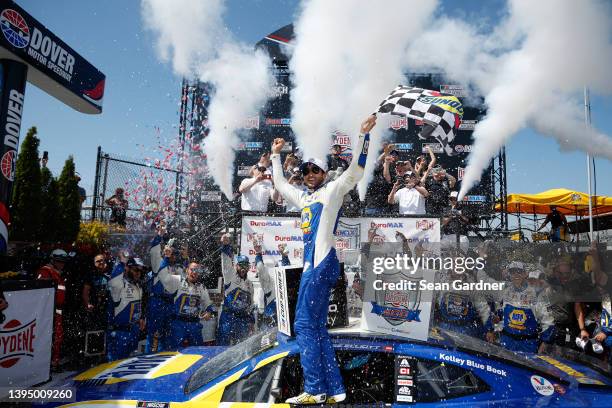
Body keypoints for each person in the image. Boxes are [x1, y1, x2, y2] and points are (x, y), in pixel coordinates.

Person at [271, 115, 376, 404]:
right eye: (305, 171)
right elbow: (280, 185)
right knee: (315, 327)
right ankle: (335, 390)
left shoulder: (332, 191)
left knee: (303, 326)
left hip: (321, 264)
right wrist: (275, 156)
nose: (309, 174)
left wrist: (363, 137)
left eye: (315, 170)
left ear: (325, 172)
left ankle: (315, 389)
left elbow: (356, 171)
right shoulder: (304, 199)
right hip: (315, 265)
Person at [484, 261, 555, 353]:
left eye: (519, 271)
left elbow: (548, 320)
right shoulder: (505, 290)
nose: (516, 275)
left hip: (528, 344)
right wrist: (491, 330)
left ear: (525, 274)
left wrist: (545, 342)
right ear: (509, 274)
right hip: (506, 341)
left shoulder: (536, 294)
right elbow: (498, 315)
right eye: (513, 272)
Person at [158, 260, 215, 349]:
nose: (194, 273)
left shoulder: (201, 287)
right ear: (187, 270)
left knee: (197, 351)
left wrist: (209, 312)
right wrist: (166, 259)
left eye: (197, 271)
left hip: (194, 324)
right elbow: (163, 277)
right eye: (192, 270)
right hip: (178, 323)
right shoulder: (177, 281)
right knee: (174, 352)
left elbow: (208, 304)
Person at [146, 228, 185, 352]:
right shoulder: (159, 263)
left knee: (168, 336)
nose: (173, 256)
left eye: (174, 254)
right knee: (154, 335)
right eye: (171, 253)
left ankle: (165, 358)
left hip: (170, 304)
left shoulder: (177, 268)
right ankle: (150, 359)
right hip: (157, 303)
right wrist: (159, 236)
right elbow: (154, 252)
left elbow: (182, 278)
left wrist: (185, 258)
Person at [218, 234, 255, 345]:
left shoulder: (250, 284)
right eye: (240, 265)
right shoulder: (230, 275)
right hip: (228, 317)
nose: (243, 268)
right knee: (223, 348)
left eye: (245, 265)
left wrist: (252, 321)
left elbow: (251, 304)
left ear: (249, 267)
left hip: (243, 320)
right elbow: (226, 262)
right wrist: (226, 246)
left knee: (242, 348)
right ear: (236, 266)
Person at [107, 256, 146, 361]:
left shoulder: (138, 286)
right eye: (136, 269)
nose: (138, 273)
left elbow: (137, 306)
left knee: (129, 366)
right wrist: (121, 263)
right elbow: (113, 282)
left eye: (140, 270)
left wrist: (141, 317)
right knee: (114, 368)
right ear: (127, 269)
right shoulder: (120, 285)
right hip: (119, 333)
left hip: (134, 332)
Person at [37, 249, 70, 370]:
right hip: (49, 312)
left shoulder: (58, 274)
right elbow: (40, 293)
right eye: (59, 261)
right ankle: (48, 364)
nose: (62, 264)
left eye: (63, 262)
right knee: (49, 338)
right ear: (52, 260)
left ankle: (54, 362)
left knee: (58, 337)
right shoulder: (45, 272)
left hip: (57, 312)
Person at [255, 242, 290, 327]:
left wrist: (285, 256)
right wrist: (258, 254)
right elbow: (260, 268)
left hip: (285, 325)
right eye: (279, 271)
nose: (282, 273)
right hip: (270, 325)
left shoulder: (290, 287)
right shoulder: (270, 285)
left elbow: (287, 268)